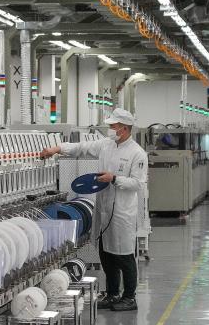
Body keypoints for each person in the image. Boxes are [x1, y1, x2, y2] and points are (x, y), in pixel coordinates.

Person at [40, 108, 148, 312]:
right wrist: (57, 148)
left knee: (124, 255)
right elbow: (81, 148)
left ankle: (129, 297)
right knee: (106, 253)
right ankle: (112, 293)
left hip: (123, 212)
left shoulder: (137, 153)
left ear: (124, 128)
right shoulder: (106, 145)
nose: (110, 129)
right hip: (103, 208)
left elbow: (137, 184)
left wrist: (114, 179)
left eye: (113, 126)